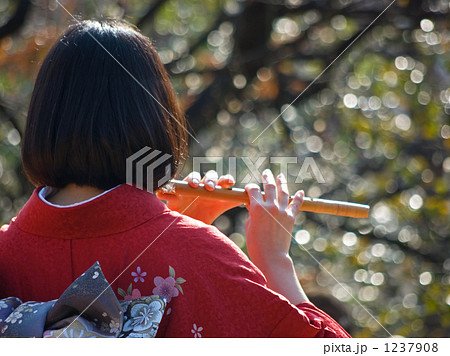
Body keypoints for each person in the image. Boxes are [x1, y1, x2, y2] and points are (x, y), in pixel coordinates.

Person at [0, 19, 350, 337]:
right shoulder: (197, 253)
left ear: (45, 119)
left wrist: (177, 228)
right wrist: (274, 261)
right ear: (152, 119)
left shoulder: (5, 253)